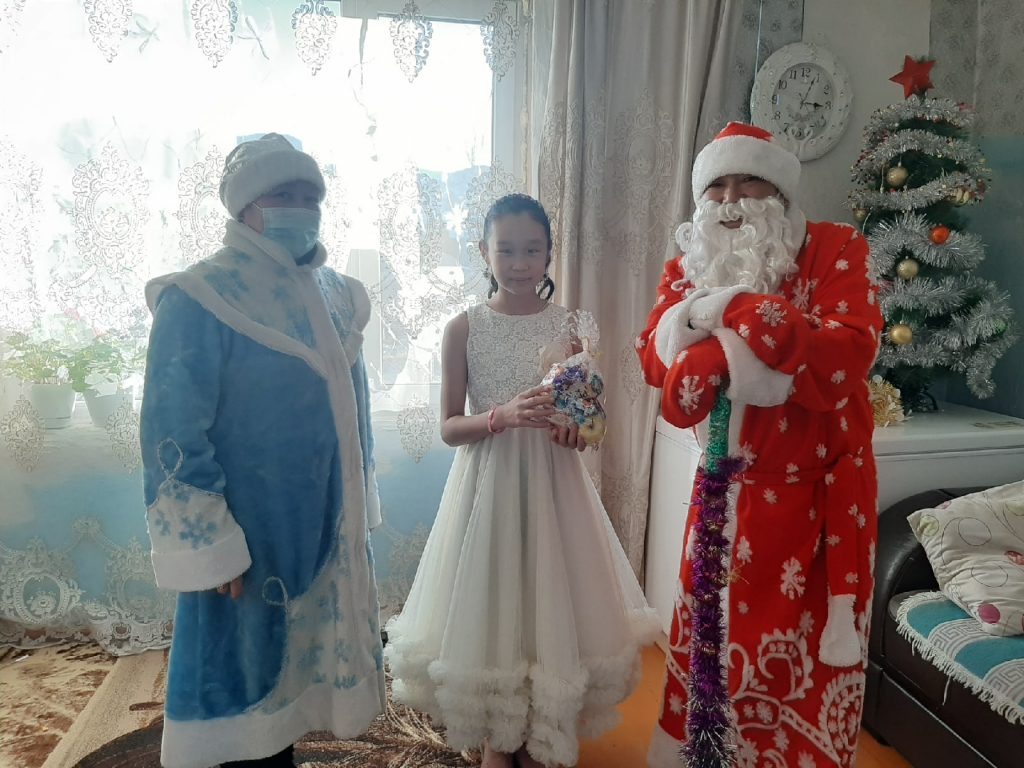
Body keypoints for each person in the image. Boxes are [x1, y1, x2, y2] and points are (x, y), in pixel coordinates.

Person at [636, 123, 883, 768]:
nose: (730, 200)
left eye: (748, 183)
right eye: (716, 186)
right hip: (724, 495)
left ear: (779, 192)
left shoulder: (835, 247)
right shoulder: (686, 264)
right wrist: (718, 335)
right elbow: (657, 362)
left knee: (803, 667)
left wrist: (728, 324)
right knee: (711, 656)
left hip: (816, 507)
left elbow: (846, 352)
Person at [385, 194, 660, 768]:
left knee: (548, 598)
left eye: (531, 250)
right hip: (487, 487)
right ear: (484, 252)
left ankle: (540, 725)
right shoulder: (464, 328)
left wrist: (576, 433)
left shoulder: (570, 327)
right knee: (495, 601)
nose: (518, 263)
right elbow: (448, 428)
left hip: (555, 488)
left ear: (549, 254)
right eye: (505, 250)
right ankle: (497, 733)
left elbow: (588, 421)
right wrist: (500, 416)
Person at [140, 133, 384, 768]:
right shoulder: (200, 296)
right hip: (247, 532)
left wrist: (358, 500)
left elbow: (354, 408)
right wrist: (209, 545)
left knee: (299, 673)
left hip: (322, 523)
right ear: (245, 206)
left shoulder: (337, 294)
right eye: (282, 194)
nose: (300, 208)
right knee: (242, 678)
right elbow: (172, 433)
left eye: (311, 196)